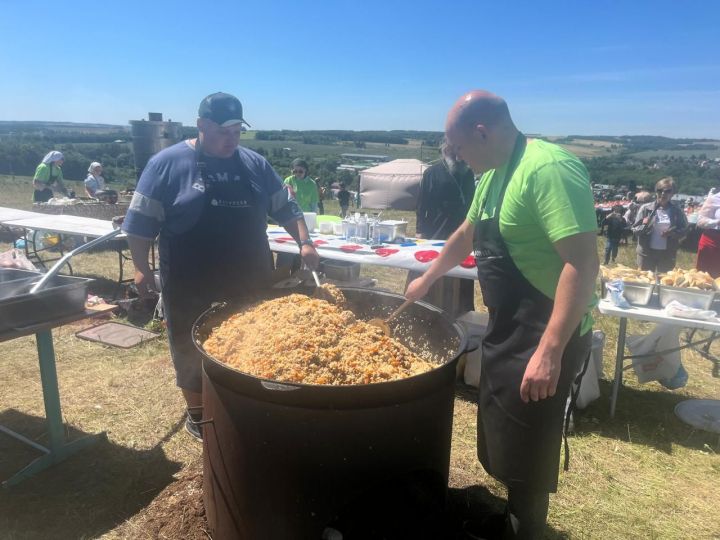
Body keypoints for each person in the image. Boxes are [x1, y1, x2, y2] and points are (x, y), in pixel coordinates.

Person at [405, 90, 598, 539]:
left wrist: (550, 351)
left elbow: (581, 263)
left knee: (531, 439)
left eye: (457, 147)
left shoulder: (548, 169)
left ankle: (524, 529)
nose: (455, 157)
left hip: (550, 329)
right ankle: (509, 515)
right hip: (509, 324)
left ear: (482, 131)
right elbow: (467, 234)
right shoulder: (491, 175)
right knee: (505, 429)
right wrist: (428, 277)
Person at [122, 92, 319, 441]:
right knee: (188, 349)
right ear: (201, 125)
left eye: (237, 132)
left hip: (250, 277)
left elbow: (287, 208)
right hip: (189, 278)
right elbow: (139, 224)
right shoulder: (167, 164)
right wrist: (141, 267)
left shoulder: (254, 164)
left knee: (256, 345)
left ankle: (246, 407)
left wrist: (304, 242)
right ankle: (199, 417)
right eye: (223, 131)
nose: (231, 140)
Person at [410, 142, 477, 315]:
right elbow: (422, 204)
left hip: (462, 232)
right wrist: (420, 231)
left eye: (459, 149)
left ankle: (459, 310)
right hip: (436, 231)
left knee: (460, 274)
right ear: (446, 150)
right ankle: (428, 310)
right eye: (453, 150)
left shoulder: (468, 173)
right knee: (434, 272)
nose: (458, 155)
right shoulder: (432, 173)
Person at [632, 177, 688, 273]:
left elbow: (684, 230)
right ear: (656, 192)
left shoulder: (677, 211)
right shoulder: (645, 208)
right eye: (659, 190)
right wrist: (646, 227)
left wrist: (673, 233)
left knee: (665, 281)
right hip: (646, 253)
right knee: (645, 281)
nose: (663, 193)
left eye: (667, 191)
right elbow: (635, 230)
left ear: (672, 193)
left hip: (667, 254)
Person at [695, 189, 720, 277]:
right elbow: (700, 221)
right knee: (706, 277)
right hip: (712, 242)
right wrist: (717, 222)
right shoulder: (715, 198)